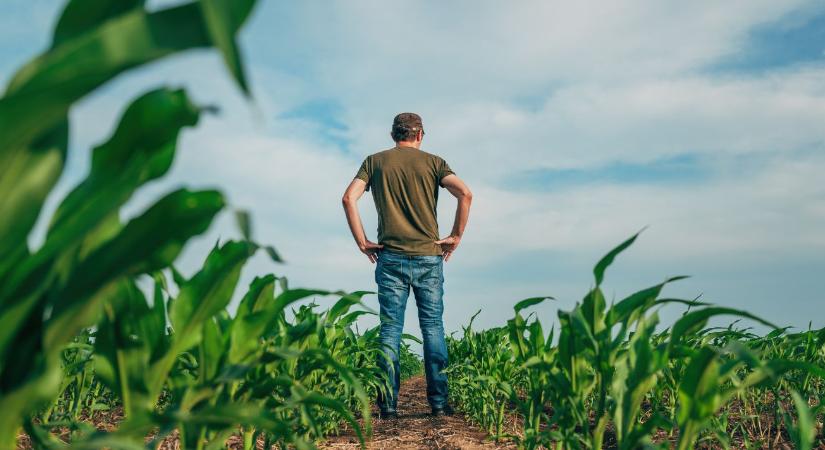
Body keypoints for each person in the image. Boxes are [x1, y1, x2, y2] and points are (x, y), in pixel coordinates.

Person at [341, 112, 473, 419]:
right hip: (429, 256)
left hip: (390, 258)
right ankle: (439, 404)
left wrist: (362, 242)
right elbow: (465, 193)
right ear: (420, 135)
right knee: (433, 329)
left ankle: (387, 406)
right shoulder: (434, 163)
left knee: (390, 332)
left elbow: (349, 198)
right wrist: (455, 236)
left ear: (393, 135)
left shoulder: (374, 162)